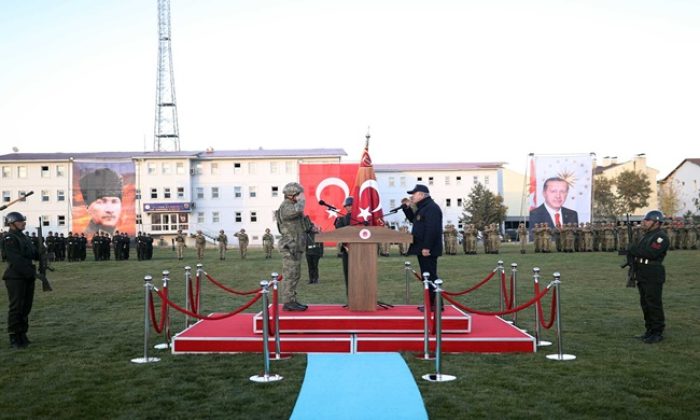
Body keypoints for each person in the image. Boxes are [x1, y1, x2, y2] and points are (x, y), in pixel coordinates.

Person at [628, 210, 670, 344]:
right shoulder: (646, 236)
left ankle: (657, 332)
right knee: (645, 304)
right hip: (643, 272)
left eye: (647, 220)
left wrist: (632, 249)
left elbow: (651, 252)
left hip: (653, 273)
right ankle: (649, 330)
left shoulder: (660, 237)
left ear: (656, 222)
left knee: (654, 304)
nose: (644, 222)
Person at [401, 184, 443, 311]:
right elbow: (415, 221)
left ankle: (435, 305)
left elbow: (432, 229)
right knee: (428, 276)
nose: (412, 196)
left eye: (414, 194)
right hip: (423, 248)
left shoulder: (431, 208)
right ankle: (432, 304)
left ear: (421, 194)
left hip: (427, 250)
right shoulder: (424, 207)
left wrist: (426, 247)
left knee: (430, 276)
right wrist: (407, 208)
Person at [2, 212, 38, 348]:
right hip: (15, 276)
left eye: (23, 220)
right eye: (20, 221)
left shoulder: (24, 237)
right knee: (16, 307)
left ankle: (22, 333)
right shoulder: (9, 238)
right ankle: (14, 336)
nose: (23, 222)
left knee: (26, 307)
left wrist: (40, 253)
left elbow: (32, 252)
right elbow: (15, 259)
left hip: (27, 275)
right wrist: (30, 272)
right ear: (11, 223)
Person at [276, 182, 308, 311]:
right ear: (291, 194)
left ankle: (292, 300)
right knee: (290, 274)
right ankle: (288, 302)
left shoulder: (292, 205)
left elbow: (302, 223)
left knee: (295, 274)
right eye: (299, 194)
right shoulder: (286, 206)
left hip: (296, 246)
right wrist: (302, 201)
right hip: (289, 246)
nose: (301, 196)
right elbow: (296, 211)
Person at [79, 168, 124, 237]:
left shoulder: (121, 235)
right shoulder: (88, 236)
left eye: (114, 201)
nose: (109, 210)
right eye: (101, 202)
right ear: (87, 207)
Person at [333, 196, 354, 298]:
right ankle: (350, 297)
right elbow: (339, 230)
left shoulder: (361, 218)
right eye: (347, 206)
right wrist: (338, 219)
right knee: (348, 275)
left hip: (361, 251)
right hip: (347, 250)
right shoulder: (342, 218)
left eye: (351, 205)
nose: (349, 208)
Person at [304, 217, 323, 284]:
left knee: (315, 266)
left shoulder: (318, 234)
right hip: (308, 252)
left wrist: (321, 253)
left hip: (316, 252)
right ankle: (311, 279)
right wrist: (310, 224)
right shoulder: (307, 234)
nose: (314, 228)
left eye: (315, 227)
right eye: (313, 227)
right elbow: (306, 228)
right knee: (310, 267)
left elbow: (321, 244)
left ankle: (316, 279)